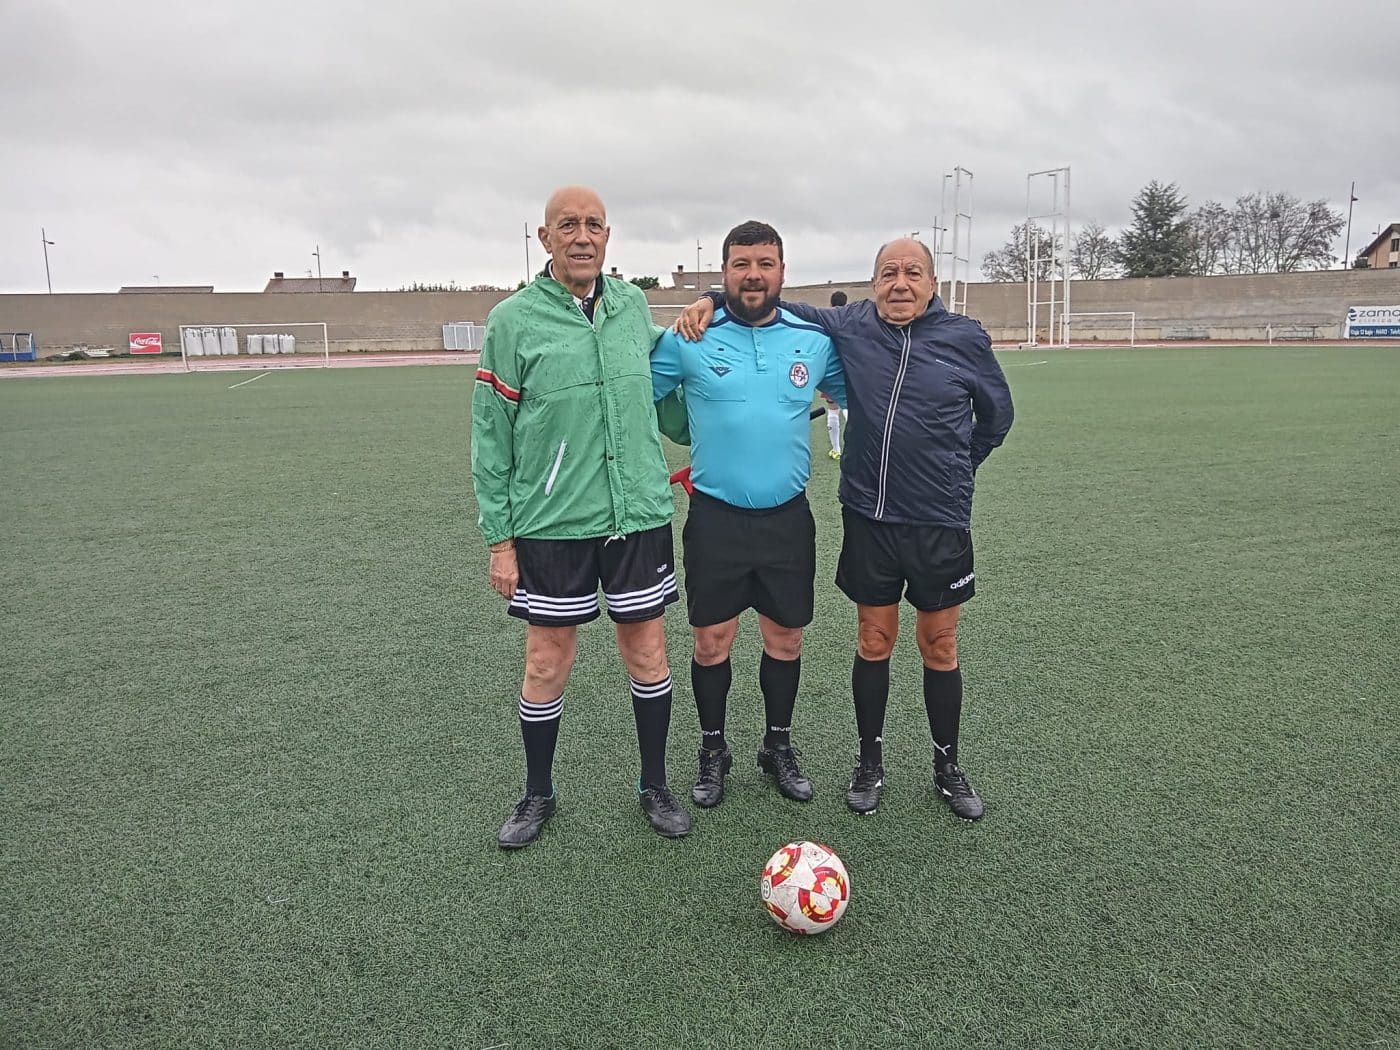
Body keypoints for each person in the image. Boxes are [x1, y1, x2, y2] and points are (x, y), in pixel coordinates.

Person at [677, 238, 1013, 821]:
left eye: (913, 273)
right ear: (873, 282)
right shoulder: (851, 324)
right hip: (869, 516)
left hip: (939, 520)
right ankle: (869, 764)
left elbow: (997, 418)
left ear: (933, 283)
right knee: (874, 640)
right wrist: (711, 296)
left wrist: (954, 468)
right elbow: (766, 298)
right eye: (889, 273)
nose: (900, 284)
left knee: (940, 644)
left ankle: (947, 766)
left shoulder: (964, 338)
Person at [472, 185, 690, 848]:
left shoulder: (632, 306)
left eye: (593, 224)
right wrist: (500, 541)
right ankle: (537, 793)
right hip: (551, 524)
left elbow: (673, 375)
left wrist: (709, 309)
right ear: (545, 238)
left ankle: (654, 784)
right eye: (568, 225)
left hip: (637, 514)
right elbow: (491, 435)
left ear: (608, 236)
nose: (582, 236)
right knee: (546, 660)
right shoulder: (511, 321)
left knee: (647, 651)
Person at [651, 221, 846, 809]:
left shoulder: (813, 341)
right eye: (741, 264)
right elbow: (634, 397)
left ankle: (777, 745)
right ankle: (713, 751)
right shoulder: (689, 338)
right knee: (711, 642)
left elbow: (858, 393)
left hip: (787, 519)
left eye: (765, 263)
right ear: (725, 271)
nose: (753, 275)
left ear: (782, 271)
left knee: (785, 638)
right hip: (716, 519)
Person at [821, 291, 850, 461]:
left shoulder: (826, 320)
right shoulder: (852, 319)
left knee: (833, 410)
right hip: (851, 371)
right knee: (850, 408)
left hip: (832, 370)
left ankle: (836, 449)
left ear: (831, 302)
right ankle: (853, 447)